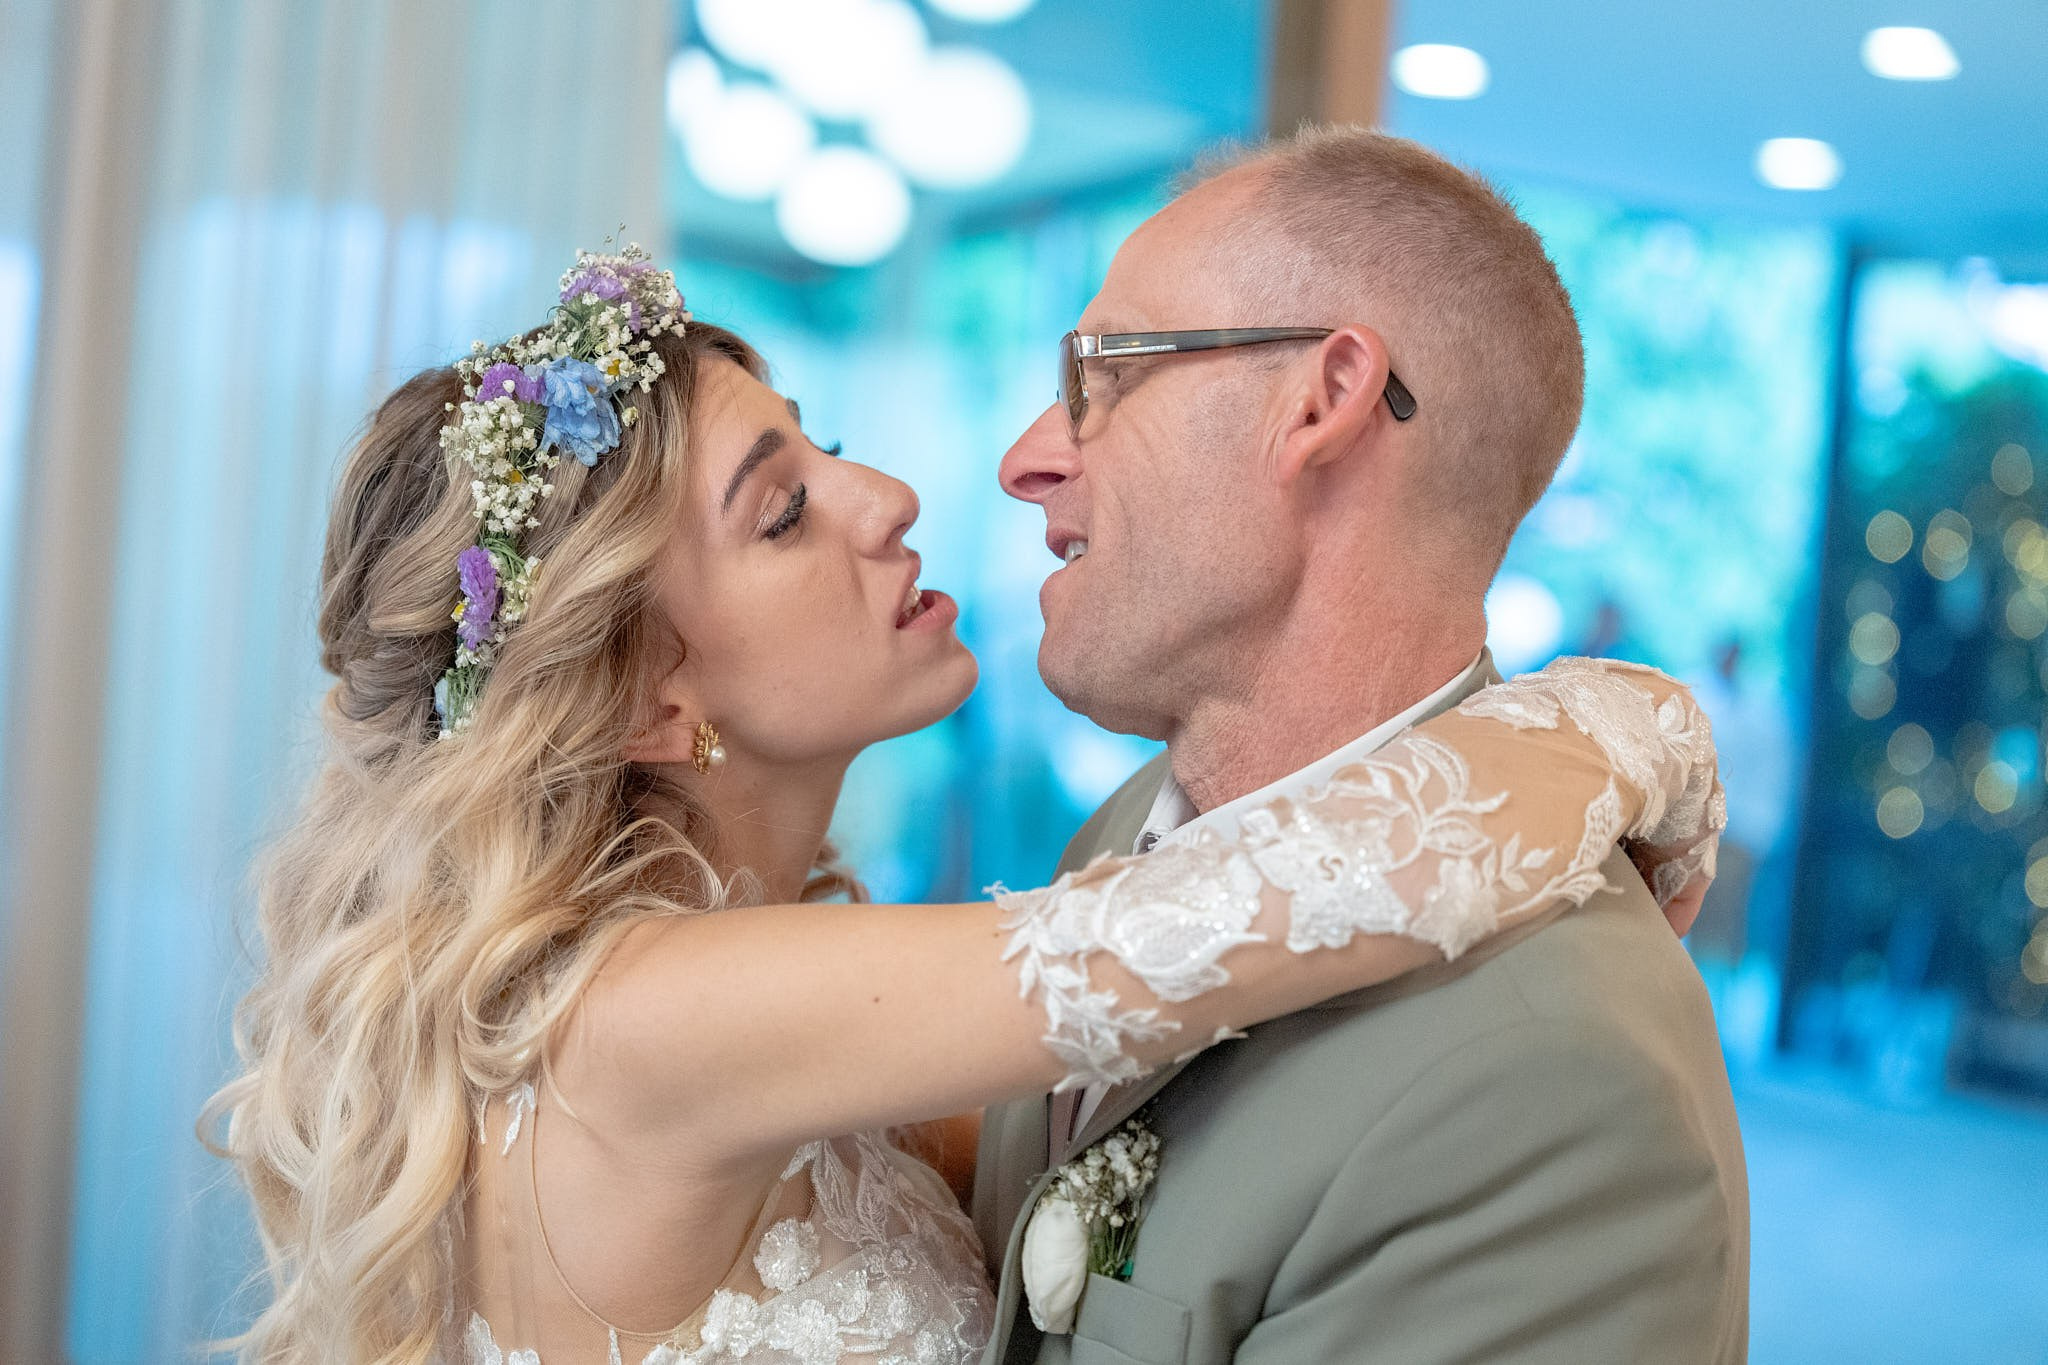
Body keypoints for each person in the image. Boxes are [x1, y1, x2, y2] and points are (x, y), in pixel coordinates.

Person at [201, 246, 1721, 1365]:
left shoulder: (757, 994)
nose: (892, 502)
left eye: (829, 449)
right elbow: (1257, 908)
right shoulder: (647, 1013)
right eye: (786, 512)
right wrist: (1631, 722)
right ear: (652, 699)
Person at [984, 127, 1750, 1363]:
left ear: (1320, 402)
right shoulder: (1123, 838)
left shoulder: (1546, 1082)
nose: (1029, 458)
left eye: (1103, 372)